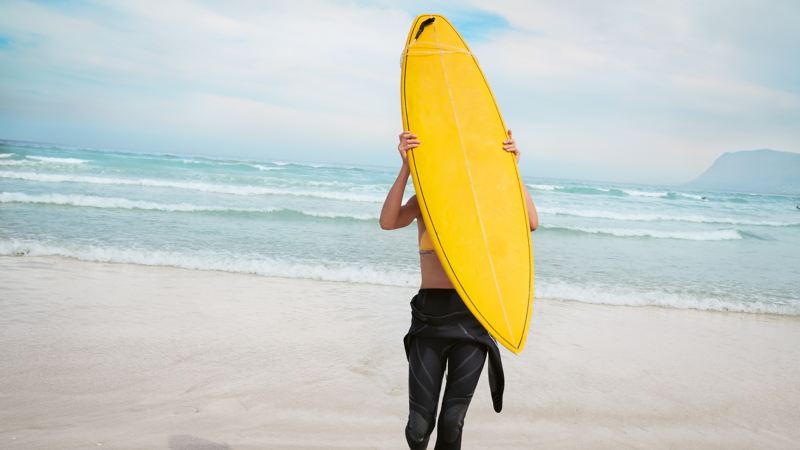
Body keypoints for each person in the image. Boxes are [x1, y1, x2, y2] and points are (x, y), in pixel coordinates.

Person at [380, 130, 539, 449]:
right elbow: (388, 221)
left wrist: (512, 167)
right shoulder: (427, 202)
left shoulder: (487, 207)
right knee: (418, 427)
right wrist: (407, 167)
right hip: (429, 318)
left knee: (453, 421)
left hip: (473, 317)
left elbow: (531, 223)